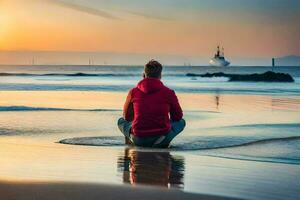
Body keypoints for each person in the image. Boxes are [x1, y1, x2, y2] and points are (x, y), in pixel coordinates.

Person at [117, 60, 185, 148]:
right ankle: (163, 143)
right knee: (181, 122)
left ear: (143, 75)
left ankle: (128, 148)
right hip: (161, 138)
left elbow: (127, 117)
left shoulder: (133, 92)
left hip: (138, 139)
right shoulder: (169, 92)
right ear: (160, 76)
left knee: (121, 121)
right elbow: (178, 117)